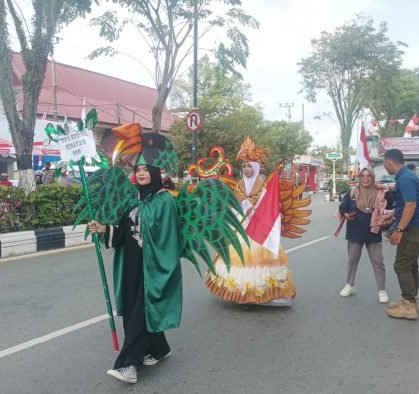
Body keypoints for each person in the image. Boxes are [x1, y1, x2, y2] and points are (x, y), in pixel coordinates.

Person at [88, 161, 182, 384]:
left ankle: (128, 365)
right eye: (137, 170)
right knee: (134, 309)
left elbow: (167, 237)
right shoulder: (133, 200)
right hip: (131, 265)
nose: (140, 173)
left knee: (140, 312)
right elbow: (124, 233)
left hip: (152, 267)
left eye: (144, 170)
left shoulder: (165, 201)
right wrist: (104, 228)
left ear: (155, 173)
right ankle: (159, 349)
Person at [205, 138, 298, 305]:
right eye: (244, 166)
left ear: (255, 168)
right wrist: (240, 212)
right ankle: (243, 294)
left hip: (258, 227)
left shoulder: (263, 185)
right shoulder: (239, 184)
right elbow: (233, 205)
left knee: (258, 260)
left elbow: (268, 207)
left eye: (250, 166)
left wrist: (254, 211)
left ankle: (263, 293)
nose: (247, 169)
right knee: (238, 257)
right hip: (242, 225)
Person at [382, 149, 419, 320]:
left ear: (389, 162)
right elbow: (405, 204)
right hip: (416, 226)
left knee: (401, 265)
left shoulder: (405, 178)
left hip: (413, 228)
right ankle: (409, 300)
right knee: (410, 264)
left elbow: (411, 206)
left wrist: (399, 230)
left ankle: (409, 304)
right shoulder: (405, 177)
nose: (384, 167)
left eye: (384, 164)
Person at [337, 166, 392, 303]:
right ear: (359, 178)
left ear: (373, 178)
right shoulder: (352, 192)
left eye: (369, 176)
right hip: (355, 230)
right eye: (363, 176)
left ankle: (382, 290)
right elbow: (343, 207)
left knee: (378, 262)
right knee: (352, 260)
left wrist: (387, 189)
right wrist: (345, 214)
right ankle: (350, 285)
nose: (366, 178)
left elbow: (391, 202)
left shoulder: (380, 192)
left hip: (373, 231)